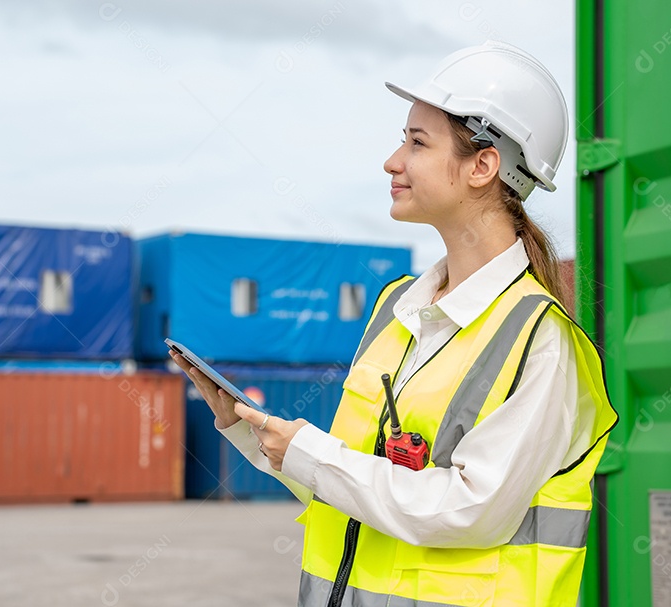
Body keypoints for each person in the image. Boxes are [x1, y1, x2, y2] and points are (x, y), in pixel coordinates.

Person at [170, 40, 618, 607]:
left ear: (483, 165)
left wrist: (313, 453)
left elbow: (470, 512)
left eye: (416, 142)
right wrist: (253, 434)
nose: (392, 161)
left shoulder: (541, 340)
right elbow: (350, 490)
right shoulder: (395, 308)